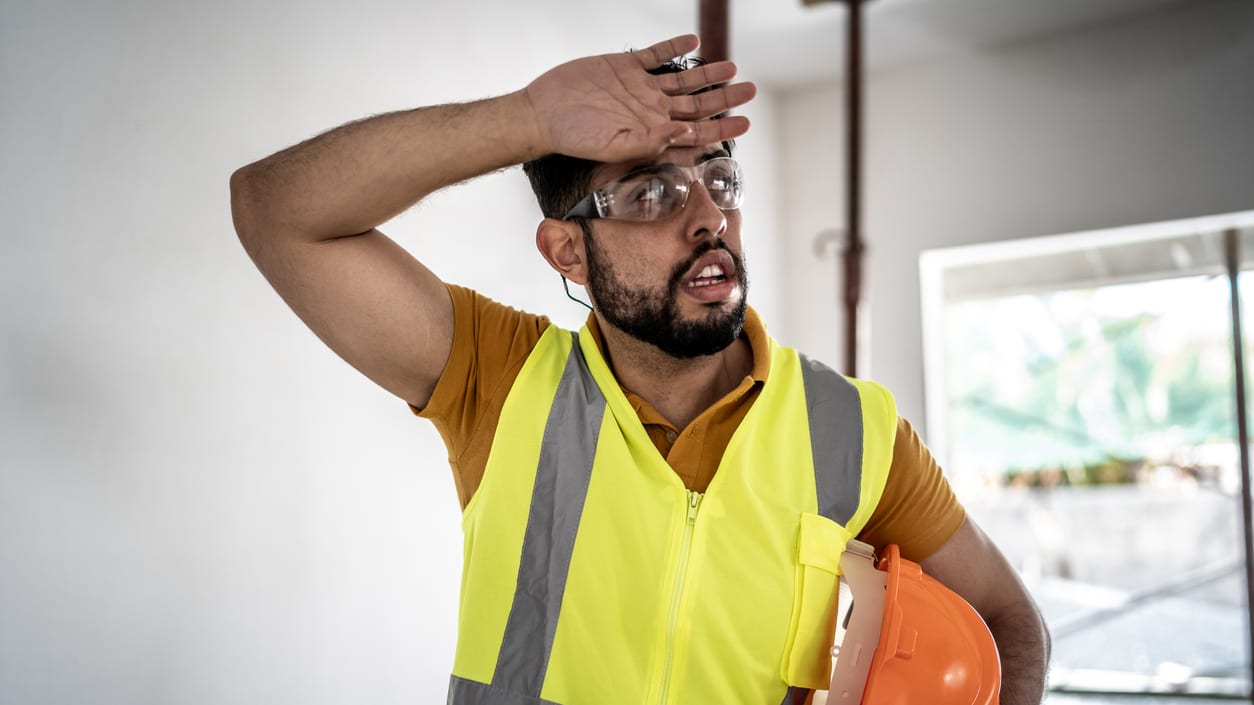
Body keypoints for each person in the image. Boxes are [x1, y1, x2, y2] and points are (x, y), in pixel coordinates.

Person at [230, 34, 1049, 705]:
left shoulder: (853, 428)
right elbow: (275, 211)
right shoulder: (499, 377)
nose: (707, 218)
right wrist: (524, 118)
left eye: (718, 180)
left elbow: (1012, 618)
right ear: (567, 251)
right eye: (651, 193)